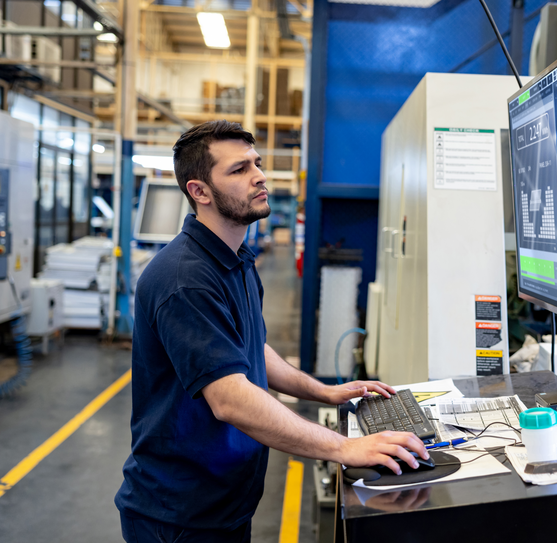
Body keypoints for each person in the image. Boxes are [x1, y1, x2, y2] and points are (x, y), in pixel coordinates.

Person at [115, 120, 428, 543]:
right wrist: (343, 447)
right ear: (199, 192)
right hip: (179, 517)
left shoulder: (236, 259)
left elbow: (251, 349)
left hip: (224, 503)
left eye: (257, 163)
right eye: (239, 169)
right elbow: (229, 400)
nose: (259, 175)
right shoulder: (184, 280)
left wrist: (324, 392)